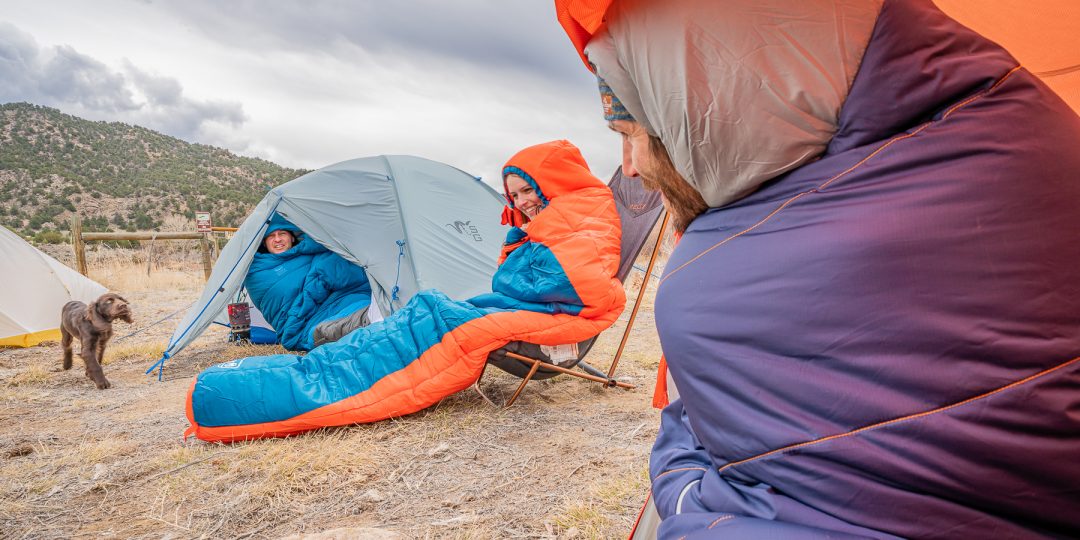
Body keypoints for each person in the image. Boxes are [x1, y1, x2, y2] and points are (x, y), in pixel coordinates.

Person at [557, 0, 1080, 537]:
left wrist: (681, 479)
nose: (629, 166)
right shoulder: (1023, 130)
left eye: (630, 130)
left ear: (712, 95)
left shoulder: (730, 280)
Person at [185, 141, 626, 442]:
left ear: (555, 182)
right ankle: (252, 383)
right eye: (514, 195)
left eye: (527, 190)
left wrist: (518, 241)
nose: (522, 201)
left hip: (561, 322)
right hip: (531, 311)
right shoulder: (559, 218)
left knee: (430, 324)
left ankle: (224, 401)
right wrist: (522, 236)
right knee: (424, 310)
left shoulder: (581, 215)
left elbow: (544, 285)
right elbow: (520, 283)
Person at [243, 214, 372, 351]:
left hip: (343, 300)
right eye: (271, 236)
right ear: (264, 242)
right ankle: (370, 319)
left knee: (375, 311)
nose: (277, 239)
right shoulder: (257, 271)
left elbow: (337, 269)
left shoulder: (313, 252)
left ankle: (375, 315)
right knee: (356, 326)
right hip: (304, 324)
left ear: (292, 237)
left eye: (282, 233)